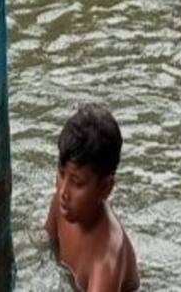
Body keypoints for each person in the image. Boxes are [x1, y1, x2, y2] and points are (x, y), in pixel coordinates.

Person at [45, 103, 140, 292]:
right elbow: (45, 243)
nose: (63, 190)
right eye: (61, 173)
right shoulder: (63, 202)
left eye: (77, 183)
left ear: (105, 188)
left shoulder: (105, 262)